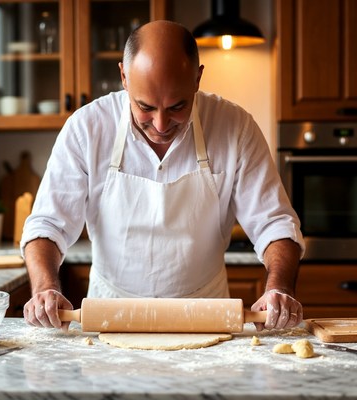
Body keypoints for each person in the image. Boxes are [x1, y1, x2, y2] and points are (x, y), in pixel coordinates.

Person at [22, 20, 305, 332]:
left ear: (197, 77)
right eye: (145, 107)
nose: (160, 124)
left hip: (204, 315)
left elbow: (275, 224)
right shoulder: (87, 128)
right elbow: (47, 225)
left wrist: (279, 288)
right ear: (124, 77)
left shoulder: (235, 127)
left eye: (177, 106)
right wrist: (45, 289)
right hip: (111, 315)